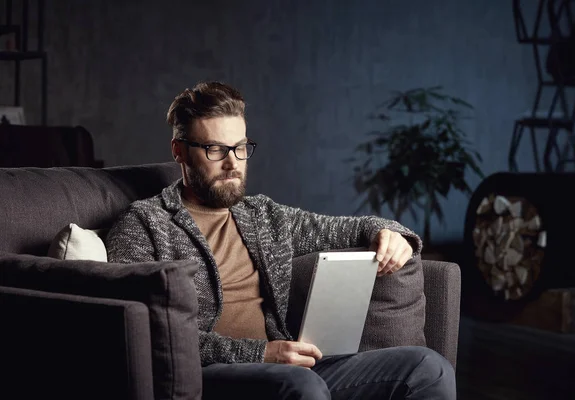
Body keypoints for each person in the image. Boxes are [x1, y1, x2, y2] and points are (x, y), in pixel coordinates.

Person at [106, 81, 456, 399]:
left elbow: (346, 227)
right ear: (179, 151)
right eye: (215, 149)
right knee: (302, 385)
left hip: (289, 368)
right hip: (209, 377)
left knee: (428, 368)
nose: (233, 163)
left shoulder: (262, 216)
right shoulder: (143, 225)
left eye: (241, 148)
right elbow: (147, 334)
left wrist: (390, 233)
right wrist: (260, 353)